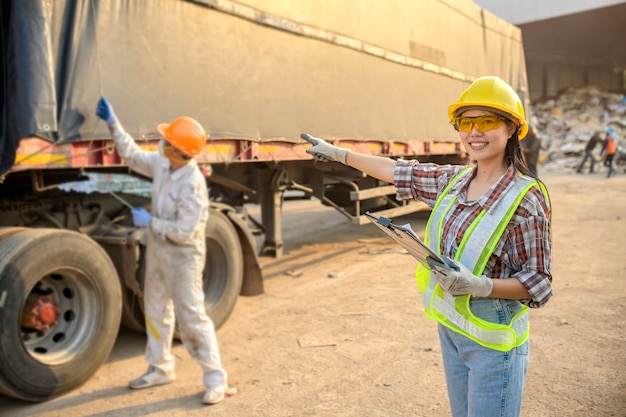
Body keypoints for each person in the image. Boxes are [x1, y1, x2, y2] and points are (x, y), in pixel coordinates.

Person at [302, 75, 552, 417]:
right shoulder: (455, 181)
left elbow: (539, 283)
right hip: (453, 332)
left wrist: (482, 285)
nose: (474, 131)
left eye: (487, 121)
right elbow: (398, 171)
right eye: (466, 122)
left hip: (495, 346)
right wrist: (339, 154)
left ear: (512, 128)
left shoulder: (526, 197)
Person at [95, 97, 228, 405]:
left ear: (181, 153)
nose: (162, 143)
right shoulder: (163, 164)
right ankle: (160, 368)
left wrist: (150, 221)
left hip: (183, 258)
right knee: (155, 311)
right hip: (158, 252)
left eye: (168, 142)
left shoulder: (193, 185)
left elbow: (184, 232)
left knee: (192, 318)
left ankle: (215, 378)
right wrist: (113, 122)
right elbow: (130, 154)